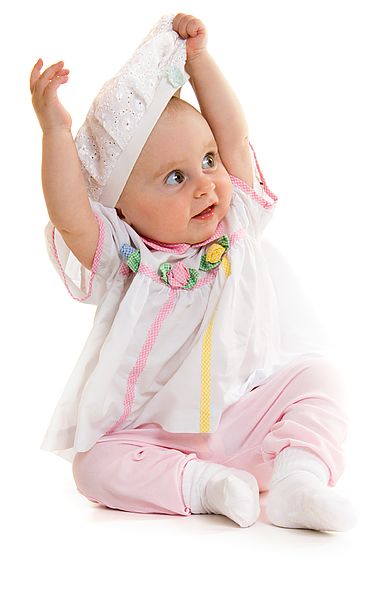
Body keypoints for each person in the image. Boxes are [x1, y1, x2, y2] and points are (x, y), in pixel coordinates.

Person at [30, 12, 353, 531]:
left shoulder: (236, 222)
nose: (205, 186)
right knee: (92, 468)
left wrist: (198, 62)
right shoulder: (125, 258)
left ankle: (299, 480)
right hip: (154, 438)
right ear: (121, 209)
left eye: (207, 161)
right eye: (175, 178)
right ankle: (204, 486)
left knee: (321, 378)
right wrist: (55, 135)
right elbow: (70, 217)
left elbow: (234, 134)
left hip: (247, 419)